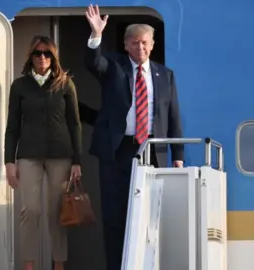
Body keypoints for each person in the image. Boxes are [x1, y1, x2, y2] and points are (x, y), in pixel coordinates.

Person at [84, 4, 184, 270]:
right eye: (135, 43)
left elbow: (173, 116)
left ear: (152, 45)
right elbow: (93, 63)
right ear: (126, 45)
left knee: (153, 214)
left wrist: (179, 158)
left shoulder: (165, 75)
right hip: (119, 151)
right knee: (116, 215)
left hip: (153, 149)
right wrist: (96, 35)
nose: (141, 48)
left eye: (145, 43)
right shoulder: (114, 67)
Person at [4, 35, 82, 270]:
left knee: (57, 213)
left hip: (61, 155)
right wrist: (9, 161)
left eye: (47, 53)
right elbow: (12, 125)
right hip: (28, 155)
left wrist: (77, 161)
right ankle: (29, 266)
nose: (42, 58)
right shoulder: (20, 86)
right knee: (31, 211)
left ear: (54, 57)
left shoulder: (65, 83)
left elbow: (75, 124)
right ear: (30, 56)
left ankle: (58, 266)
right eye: (37, 53)